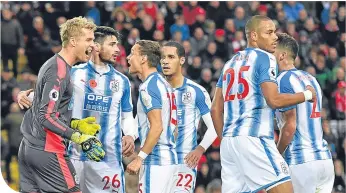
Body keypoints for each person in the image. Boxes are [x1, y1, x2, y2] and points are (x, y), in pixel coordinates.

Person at [17, 26, 138, 193]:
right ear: (95, 46)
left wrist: (131, 135)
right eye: (112, 44)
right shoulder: (73, 73)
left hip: (107, 158)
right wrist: (26, 95)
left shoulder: (122, 81)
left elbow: (127, 115)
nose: (117, 49)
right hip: (74, 155)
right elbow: (48, 99)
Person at [211, 15, 316, 193]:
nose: (275, 36)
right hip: (254, 138)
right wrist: (306, 94)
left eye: (274, 32)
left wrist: (226, 140)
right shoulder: (265, 58)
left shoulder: (229, 64)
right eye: (269, 32)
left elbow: (215, 109)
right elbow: (273, 100)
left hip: (229, 143)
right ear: (253, 36)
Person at [17, 17, 105, 193]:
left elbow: (46, 109)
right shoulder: (59, 70)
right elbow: (46, 116)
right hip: (48, 150)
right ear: (73, 41)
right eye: (88, 39)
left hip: (29, 148)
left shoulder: (54, 64)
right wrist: (78, 137)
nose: (93, 45)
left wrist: (75, 124)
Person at [274, 33, 334, 193]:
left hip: (301, 162)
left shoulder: (282, 81)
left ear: (282, 55)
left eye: (271, 52)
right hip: (324, 160)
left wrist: (276, 154)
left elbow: (290, 126)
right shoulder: (311, 78)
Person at [160, 41, 218, 192]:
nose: (165, 61)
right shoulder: (153, 90)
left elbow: (214, 127)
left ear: (182, 60)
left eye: (171, 57)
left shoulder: (196, 91)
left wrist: (200, 149)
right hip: (157, 159)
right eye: (163, 57)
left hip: (185, 161)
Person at [125, 40, 177, 193]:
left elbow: (157, 127)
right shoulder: (163, 84)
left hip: (156, 160)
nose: (128, 58)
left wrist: (139, 158)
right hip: (169, 159)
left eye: (133, 53)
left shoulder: (148, 87)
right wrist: (131, 135)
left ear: (143, 58)